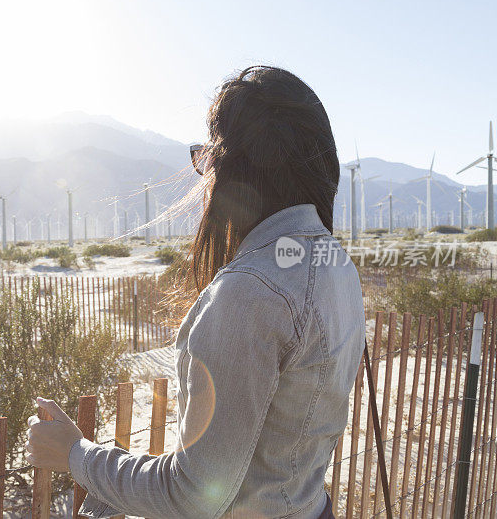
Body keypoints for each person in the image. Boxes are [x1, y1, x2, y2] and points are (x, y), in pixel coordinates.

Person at [25, 65, 365, 519]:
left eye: (207, 157)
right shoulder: (335, 264)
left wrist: (75, 455)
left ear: (230, 167)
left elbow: (194, 495)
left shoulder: (248, 294)